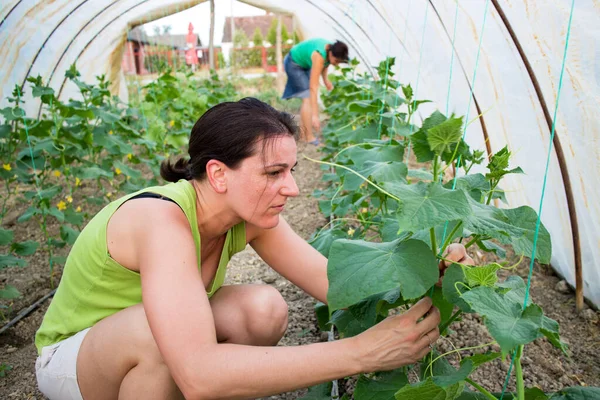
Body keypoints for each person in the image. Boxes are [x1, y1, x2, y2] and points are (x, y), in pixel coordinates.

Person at [34, 98, 473, 400]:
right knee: (165, 342)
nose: (293, 187)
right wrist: (359, 354)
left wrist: (431, 274)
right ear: (219, 174)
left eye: (292, 170)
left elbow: (338, 287)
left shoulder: (251, 218)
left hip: (149, 348)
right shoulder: (161, 221)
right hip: (76, 360)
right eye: (273, 172)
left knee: (263, 308)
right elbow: (197, 371)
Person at [282, 38, 349, 145]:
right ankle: (309, 137)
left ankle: (304, 135)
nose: (337, 64)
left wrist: (326, 80)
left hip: (304, 64)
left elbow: (325, 64)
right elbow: (314, 87)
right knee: (307, 97)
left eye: (339, 62)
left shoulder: (331, 49)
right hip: (293, 63)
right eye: (336, 61)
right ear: (331, 53)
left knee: (306, 97)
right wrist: (315, 115)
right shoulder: (319, 55)